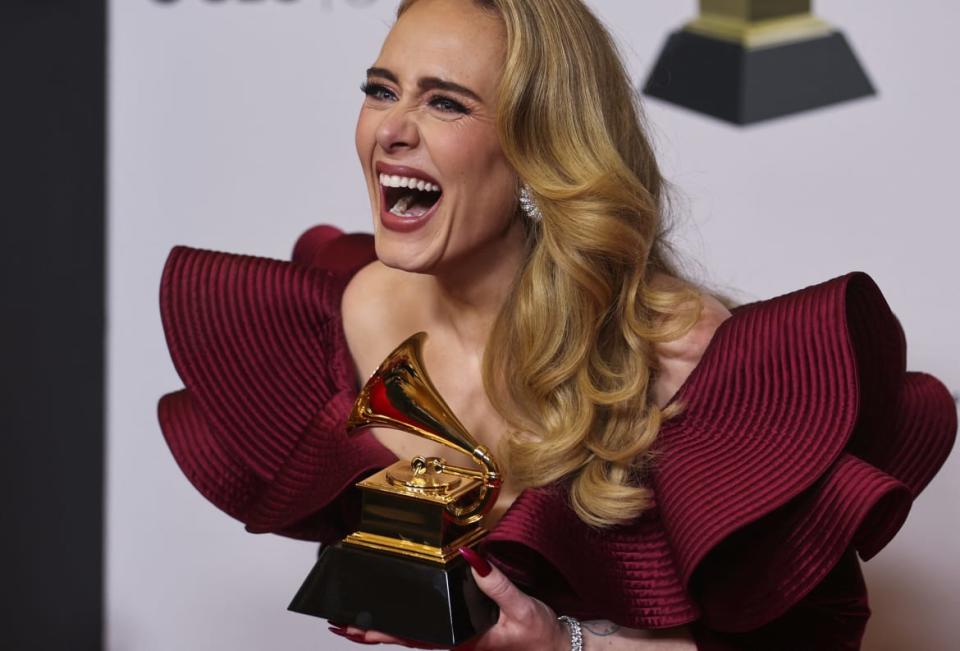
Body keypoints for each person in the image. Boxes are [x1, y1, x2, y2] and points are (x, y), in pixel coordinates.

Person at [157, 0, 956, 649]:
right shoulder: (359, 306)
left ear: (538, 146)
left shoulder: (679, 356)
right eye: (379, 89)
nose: (390, 129)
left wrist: (563, 642)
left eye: (444, 101)